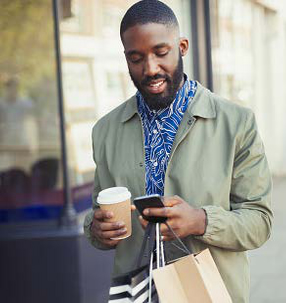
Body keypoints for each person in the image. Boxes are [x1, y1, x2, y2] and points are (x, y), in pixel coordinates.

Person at [84, 1, 273, 302]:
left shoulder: (237, 123)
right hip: (136, 293)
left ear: (182, 46)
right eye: (136, 58)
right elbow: (98, 214)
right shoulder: (105, 131)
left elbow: (260, 222)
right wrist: (97, 229)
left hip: (209, 292)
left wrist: (200, 220)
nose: (150, 69)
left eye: (161, 53)